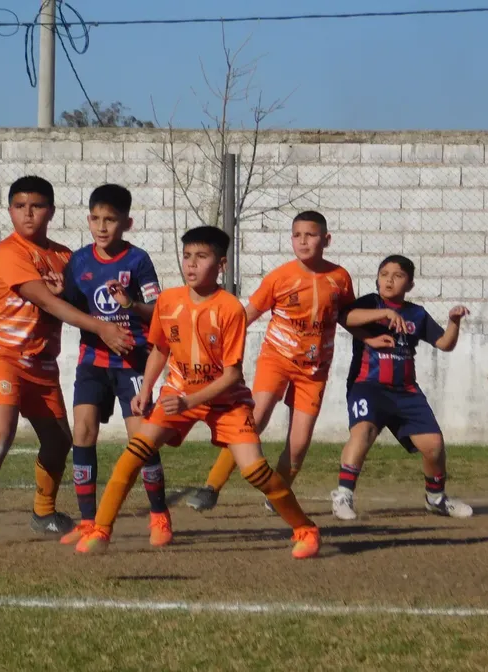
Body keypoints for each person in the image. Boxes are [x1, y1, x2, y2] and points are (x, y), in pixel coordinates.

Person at [73, 225, 321, 559]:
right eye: (187, 256)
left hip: (226, 403)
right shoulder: (169, 301)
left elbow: (232, 375)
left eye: (201, 257)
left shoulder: (230, 308)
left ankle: (305, 529)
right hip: (178, 395)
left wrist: (189, 400)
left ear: (221, 265)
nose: (191, 264)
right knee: (133, 454)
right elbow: (160, 349)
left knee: (254, 470)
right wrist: (146, 389)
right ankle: (101, 531)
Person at [0, 176, 134, 545]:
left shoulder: (67, 256)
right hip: (0, 354)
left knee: (58, 441)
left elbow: (84, 298)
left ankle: (43, 513)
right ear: (10, 211)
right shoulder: (9, 251)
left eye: (36, 206)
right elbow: (51, 303)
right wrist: (102, 328)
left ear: (50, 211)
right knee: (1, 430)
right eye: (19, 206)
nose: (27, 213)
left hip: (41, 363)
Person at [176, 210, 356, 513]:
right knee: (252, 422)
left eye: (310, 235)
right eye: (297, 235)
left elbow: (349, 316)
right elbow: (246, 315)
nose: (303, 241)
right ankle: (211, 487)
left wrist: (374, 334)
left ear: (326, 239)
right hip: (277, 359)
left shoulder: (340, 278)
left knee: (298, 443)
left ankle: (278, 493)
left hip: (314, 370)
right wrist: (214, 344)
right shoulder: (280, 277)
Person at [59, 184, 172, 548]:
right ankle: (88, 521)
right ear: (88, 220)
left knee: (141, 440)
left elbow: (157, 310)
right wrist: (58, 292)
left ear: (127, 222)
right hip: (92, 360)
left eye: (111, 219)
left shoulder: (137, 260)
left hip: (133, 362)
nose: (102, 226)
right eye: (96, 218)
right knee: (83, 432)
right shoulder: (78, 261)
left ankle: (159, 516)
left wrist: (131, 304)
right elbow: (73, 310)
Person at [329, 254, 474, 521]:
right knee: (363, 433)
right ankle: (343, 495)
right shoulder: (370, 303)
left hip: (406, 391)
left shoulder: (416, 313)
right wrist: (384, 314)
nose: (389, 280)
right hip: (368, 386)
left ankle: (436, 498)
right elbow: (344, 317)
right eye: (384, 274)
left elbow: (444, 343)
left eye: (397, 276)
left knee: (434, 445)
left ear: (410, 284)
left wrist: (454, 322)